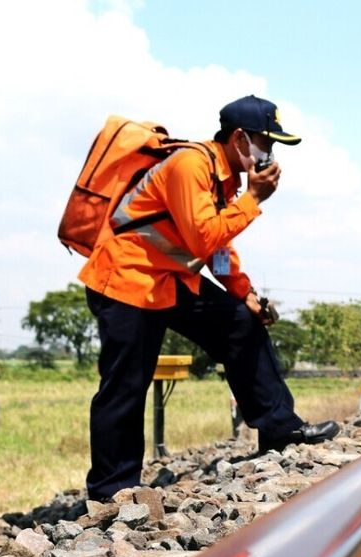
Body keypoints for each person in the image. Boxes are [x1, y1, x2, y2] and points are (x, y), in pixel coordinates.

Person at [77, 95, 339, 502]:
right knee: (127, 383)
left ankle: (278, 428)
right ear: (238, 138)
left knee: (239, 321)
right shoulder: (190, 166)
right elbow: (204, 235)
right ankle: (112, 490)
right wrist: (253, 201)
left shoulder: (224, 178)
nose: (268, 153)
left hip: (167, 278)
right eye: (265, 142)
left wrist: (245, 293)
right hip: (127, 278)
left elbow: (218, 246)